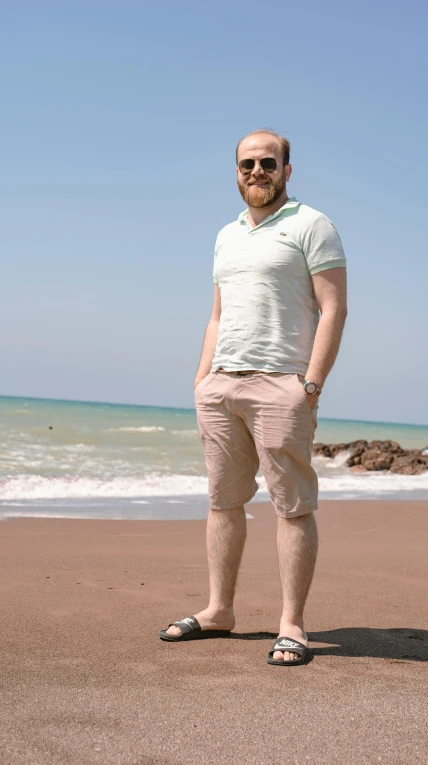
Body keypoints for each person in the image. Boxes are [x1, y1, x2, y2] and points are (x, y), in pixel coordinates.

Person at [160, 129, 347, 665]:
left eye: (268, 162)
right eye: (247, 164)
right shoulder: (226, 236)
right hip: (223, 385)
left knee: (291, 507)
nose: (256, 171)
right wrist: (202, 378)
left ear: (287, 170)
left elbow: (333, 308)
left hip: (281, 383)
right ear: (236, 172)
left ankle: (292, 624)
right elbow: (217, 315)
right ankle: (220, 610)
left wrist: (310, 384)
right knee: (223, 502)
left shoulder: (313, 225)